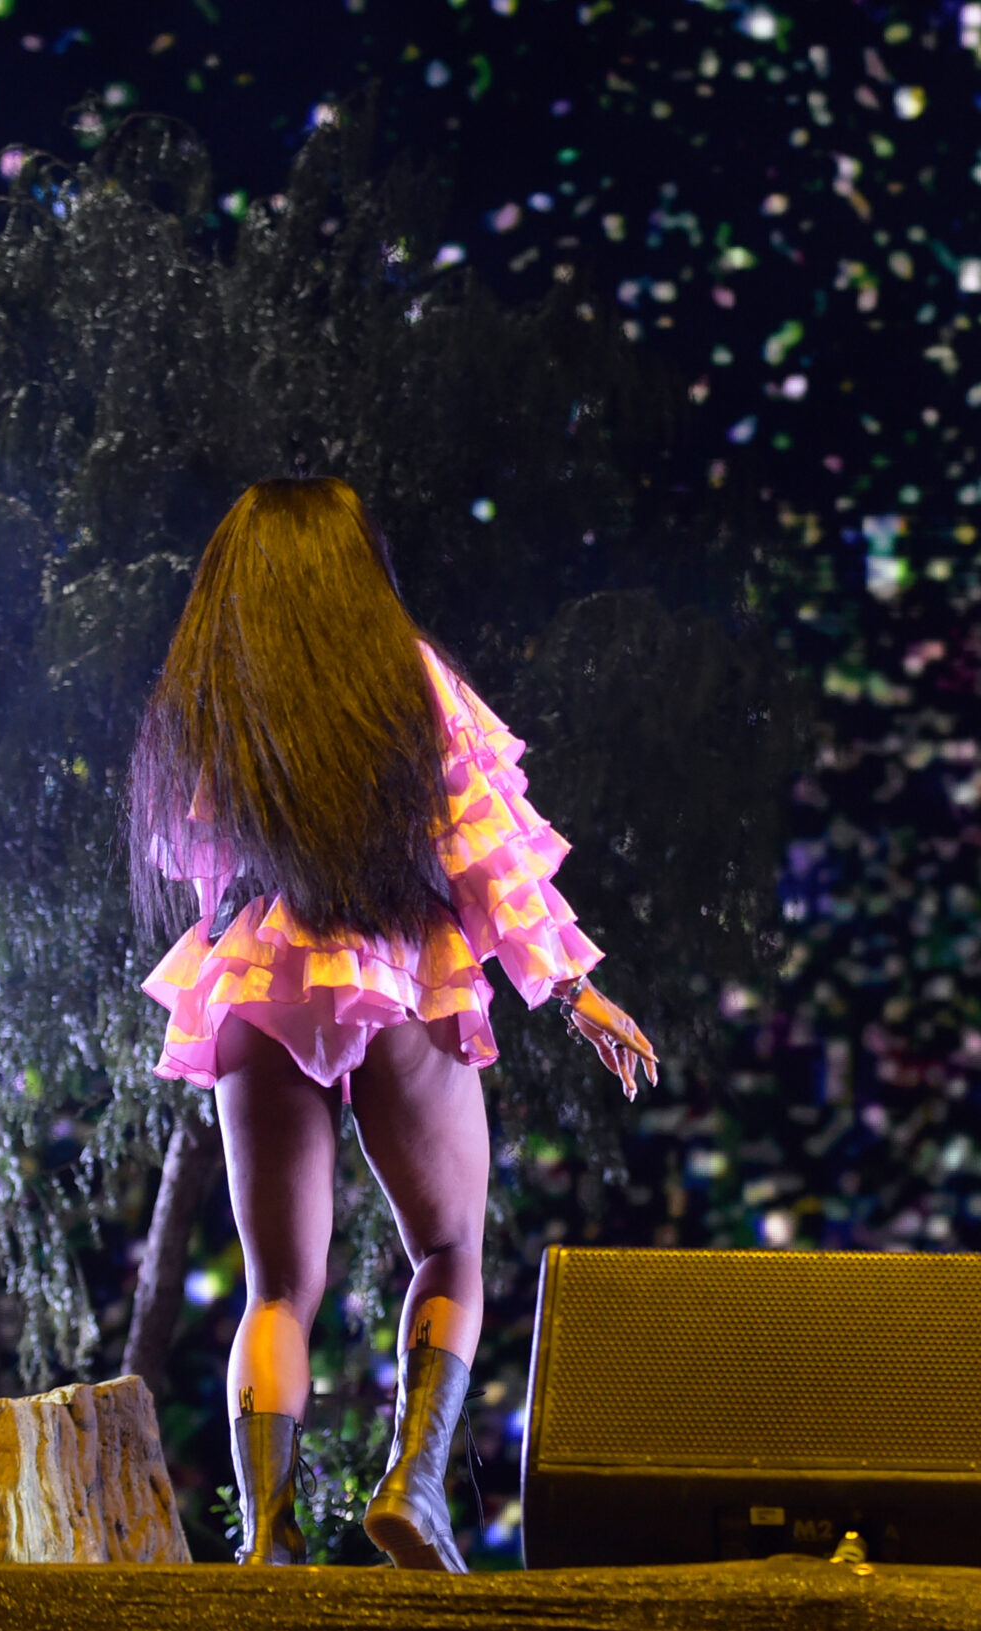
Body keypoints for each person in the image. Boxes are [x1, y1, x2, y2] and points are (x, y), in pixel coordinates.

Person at [129, 477, 658, 1570]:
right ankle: (413, 1486)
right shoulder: (405, 678)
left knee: (278, 1287)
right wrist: (571, 986)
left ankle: (267, 1540)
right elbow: (485, 849)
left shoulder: (211, 695)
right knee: (452, 1244)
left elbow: (199, 867)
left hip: (257, 978)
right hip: (395, 968)